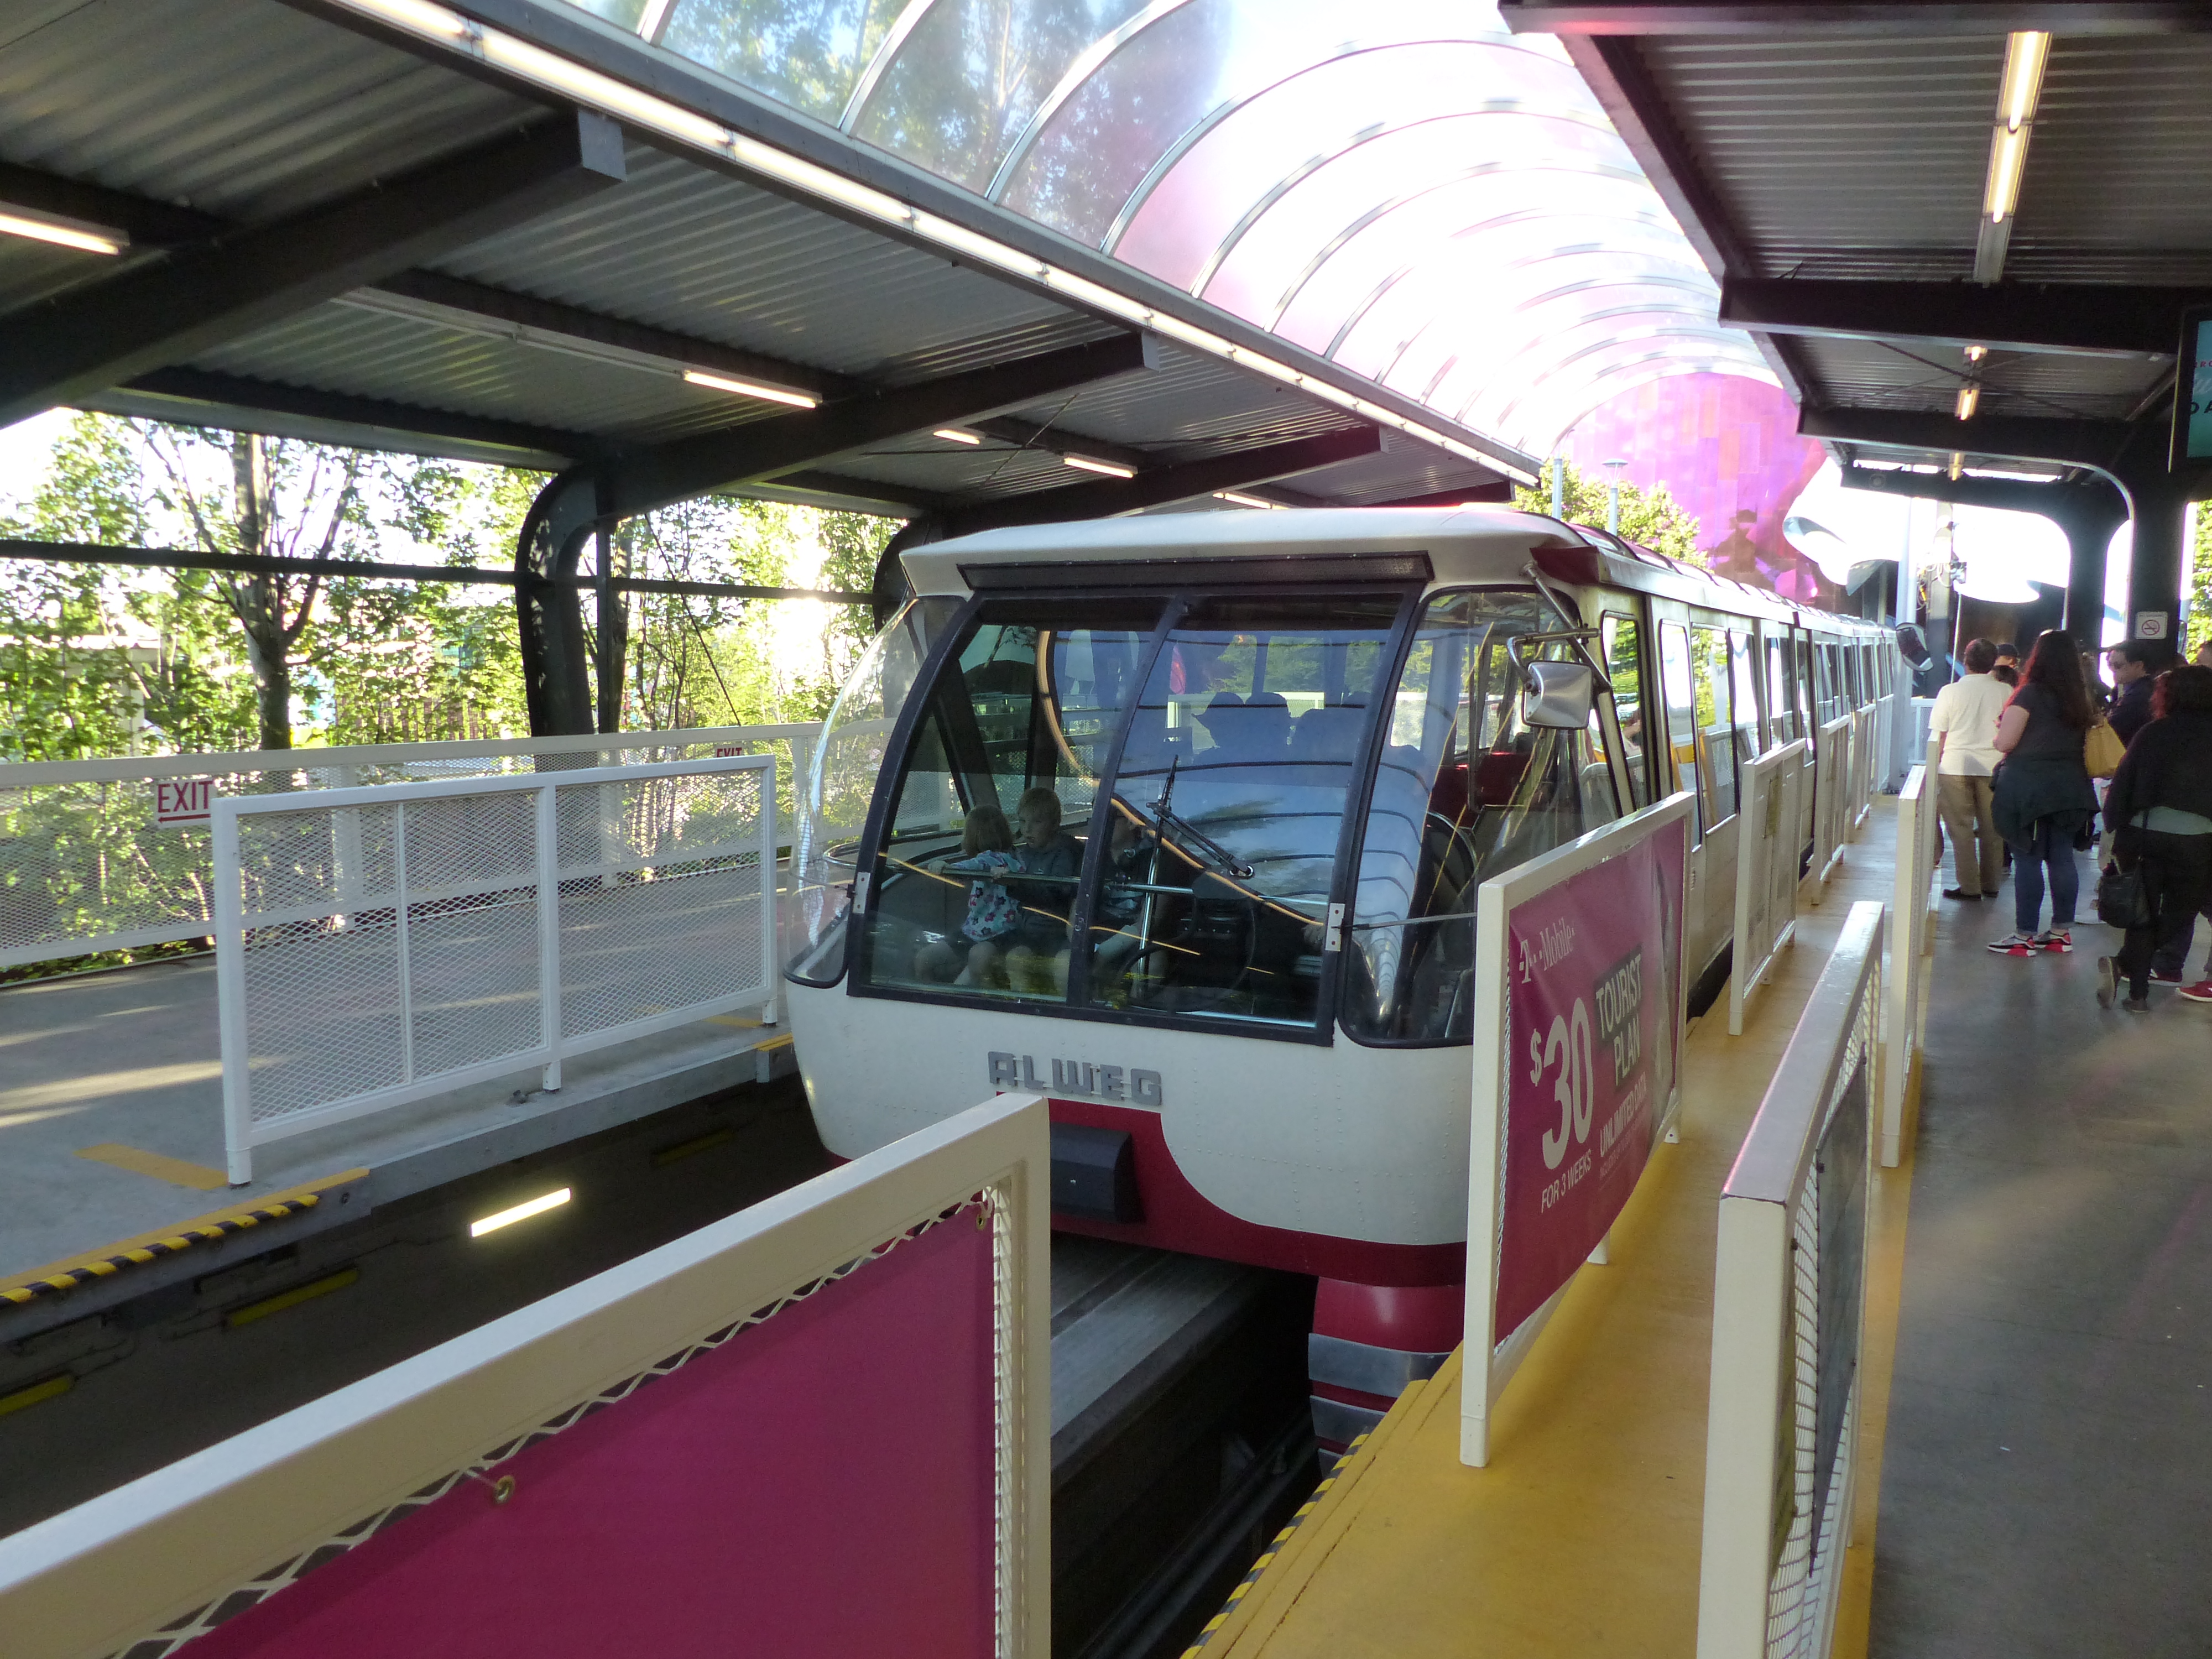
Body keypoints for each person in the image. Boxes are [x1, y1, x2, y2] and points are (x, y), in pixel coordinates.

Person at [2097, 665, 2212, 1011]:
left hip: (2143, 834)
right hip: (2197, 840)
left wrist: (2113, 828)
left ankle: (2138, 994)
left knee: (2141, 910)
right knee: (2182, 911)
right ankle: (2125, 965)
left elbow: (2124, 783)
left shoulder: (2152, 732)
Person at [1988, 630, 2099, 956]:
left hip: (2029, 790)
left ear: (2038, 657)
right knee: (2062, 859)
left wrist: (1998, 735)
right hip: (2072, 788)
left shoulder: (2029, 695)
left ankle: (2024, 936)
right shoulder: (2081, 698)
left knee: (2028, 859)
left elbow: (2006, 742)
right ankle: (2060, 933)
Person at [1928, 637, 2011, 901]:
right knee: (1993, 829)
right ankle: (1991, 884)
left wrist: (1933, 767)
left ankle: (1969, 887)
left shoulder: (1949, 691)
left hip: (1954, 765)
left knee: (1960, 829)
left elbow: (1940, 734)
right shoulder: (2005, 692)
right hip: (1994, 766)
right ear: (1993, 662)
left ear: (1966, 661)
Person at [914, 803, 1019, 988]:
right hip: (973, 932)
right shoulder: (1012, 857)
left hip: (997, 935)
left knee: (930, 965)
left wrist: (947, 868)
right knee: (924, 959)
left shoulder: (995, 859)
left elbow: (972, 867)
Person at [1001, 787, 1081, 995]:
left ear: (1055, 824)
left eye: (1037, 822)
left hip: (1058, 933)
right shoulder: (1023, 852)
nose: (1027, 829)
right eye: (1022, 821)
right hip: (1027, 932)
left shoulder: (1066, 853)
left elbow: (1057, 893)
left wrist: (1016, 885)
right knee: (1015, 959)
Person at [2105, 640, 2163, 744]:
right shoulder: (2147, 688)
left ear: (2138, 666)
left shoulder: (2138, 696)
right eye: (2110, 665)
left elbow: (2110, 727)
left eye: (2118, 666)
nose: (2113, 670)